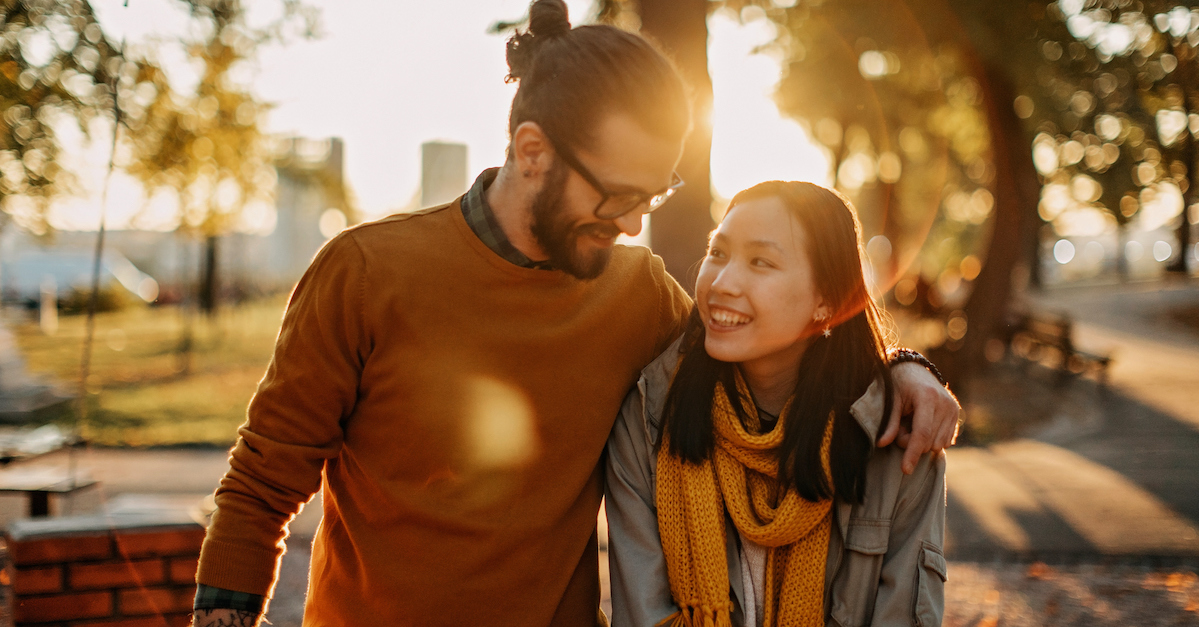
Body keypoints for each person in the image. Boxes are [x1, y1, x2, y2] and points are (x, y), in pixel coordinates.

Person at [191, 3, 960, 626]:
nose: (631, 224)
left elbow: (760, 335)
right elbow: (261, 485)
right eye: (616, 196)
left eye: (649, 199)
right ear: (533, 152)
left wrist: (903, 366)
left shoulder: (637, 293)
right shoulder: (364, 272)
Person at [605, 181, 948, 627]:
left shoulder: (895, 438)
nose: (722, 283)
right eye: (718, 253)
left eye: (761, 262)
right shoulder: (650, 416)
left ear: (826, 299)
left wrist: (907, 366)